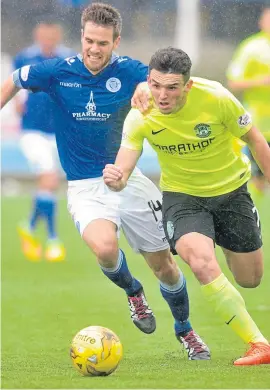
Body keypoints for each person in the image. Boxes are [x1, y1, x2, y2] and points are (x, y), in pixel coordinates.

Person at [1, 3, 210, 360]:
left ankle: (186, 331)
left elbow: (163, 89)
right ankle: (133, 292)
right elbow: (14, 80)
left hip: (130, 180)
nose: (94, 49)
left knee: (166, 267)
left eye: (102, 43)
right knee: (105, 248)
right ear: (81, 36)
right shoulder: (56, 71)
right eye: (89, 41)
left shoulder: (131, 71)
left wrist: (147, 91)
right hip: (86, 187)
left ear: (116, 42)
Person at [103, 47, 270, 366]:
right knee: (201, 261)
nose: (162, 96)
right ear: (148, 81)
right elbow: (123, 167)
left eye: (171, 87)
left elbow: (255, 139)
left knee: (249, 279)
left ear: (188, 86)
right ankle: (259, 344)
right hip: (183, 198)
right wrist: (117, 177)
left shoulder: (216, 97)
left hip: (232, 192)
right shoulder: (140, 114)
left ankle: (225, 241)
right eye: (155, 85)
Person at [13, 21, 74, 262]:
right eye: (44, 35)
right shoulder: (24, 58)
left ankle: (28, 227)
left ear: (58, 35)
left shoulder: (68, 59)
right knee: (48, 179)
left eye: (52, 36)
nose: (48, 39)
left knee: (48, 184)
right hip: (33, 131)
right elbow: (15, 87)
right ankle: (52, 239)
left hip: (58, 131)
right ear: (38, 35)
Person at [226, 7, 270, 208]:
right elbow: (233, 83)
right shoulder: (251, 48)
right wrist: (260, 82)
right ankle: (258, 214)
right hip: (259, 123)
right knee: (259, 175)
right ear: (261, 21)